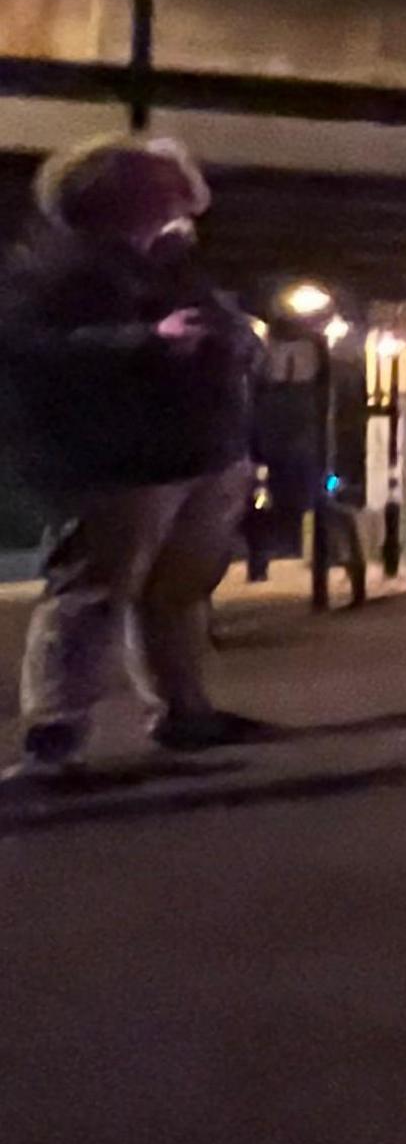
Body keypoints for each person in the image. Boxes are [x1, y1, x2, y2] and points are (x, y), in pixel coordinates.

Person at [0, 134, 273, 781]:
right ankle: (53, 737)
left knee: (176, 590)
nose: (182, 201)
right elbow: (32, 349)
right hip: (122, 452)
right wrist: (148, 341)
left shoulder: (168, 263)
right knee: (92, 588)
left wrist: (234, 341)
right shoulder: (56, 265)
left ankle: (183, 711)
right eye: (165, 188)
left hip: (196, 448)